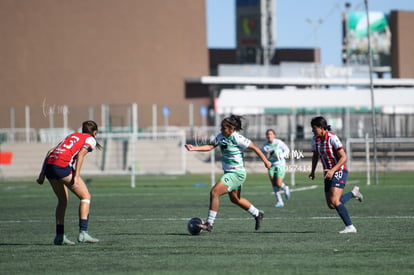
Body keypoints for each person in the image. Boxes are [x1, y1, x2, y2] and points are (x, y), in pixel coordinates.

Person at [185, 115, 271, 232]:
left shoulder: (237, 138)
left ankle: (209, 223)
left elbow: (255, 148)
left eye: (224, 128)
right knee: (235, 199)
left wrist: (266, 162)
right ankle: (257, 214)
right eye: (221, 127)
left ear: (232, 128)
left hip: (236, 173)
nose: (221, 129)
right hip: (230, 172)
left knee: (214, 192)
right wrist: (194, 148)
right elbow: (210, 146)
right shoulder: (221, 136)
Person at [41, 120, 102, 245]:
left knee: (62, 201)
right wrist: (76, 177)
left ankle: (59, 236)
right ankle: (83, 233)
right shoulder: (90, 139)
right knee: (85, 197)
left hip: (50, 167)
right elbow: (80, 156)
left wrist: (42, 175)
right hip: (61, 166)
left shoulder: (73, 135)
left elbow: (50, 152)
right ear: (95, 132)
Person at [308, 116, 364, 234]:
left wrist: (333, 170)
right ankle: (353, 193)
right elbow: (315, 156)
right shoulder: (315, 140)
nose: (312, 131)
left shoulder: (332, 138)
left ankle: (350, 227)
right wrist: (312, 171)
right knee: (331, 205)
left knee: (334, 199)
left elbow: (344, 157)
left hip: (339, 170)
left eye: (314, 128)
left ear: (321, 127)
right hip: (328, 173)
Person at [261, 129, 291, 208]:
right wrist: (266, 157)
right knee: (273, 184)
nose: (269, 136)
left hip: (280, 164)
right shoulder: (265, 146)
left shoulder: (278, 142)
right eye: (267, 134)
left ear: (274, 135)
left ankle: (285, 188)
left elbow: (287, 150)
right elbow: (264, 155)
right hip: (271, 165)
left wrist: (281, 156)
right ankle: (279, 201)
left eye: (271, 134)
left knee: (278, 183)